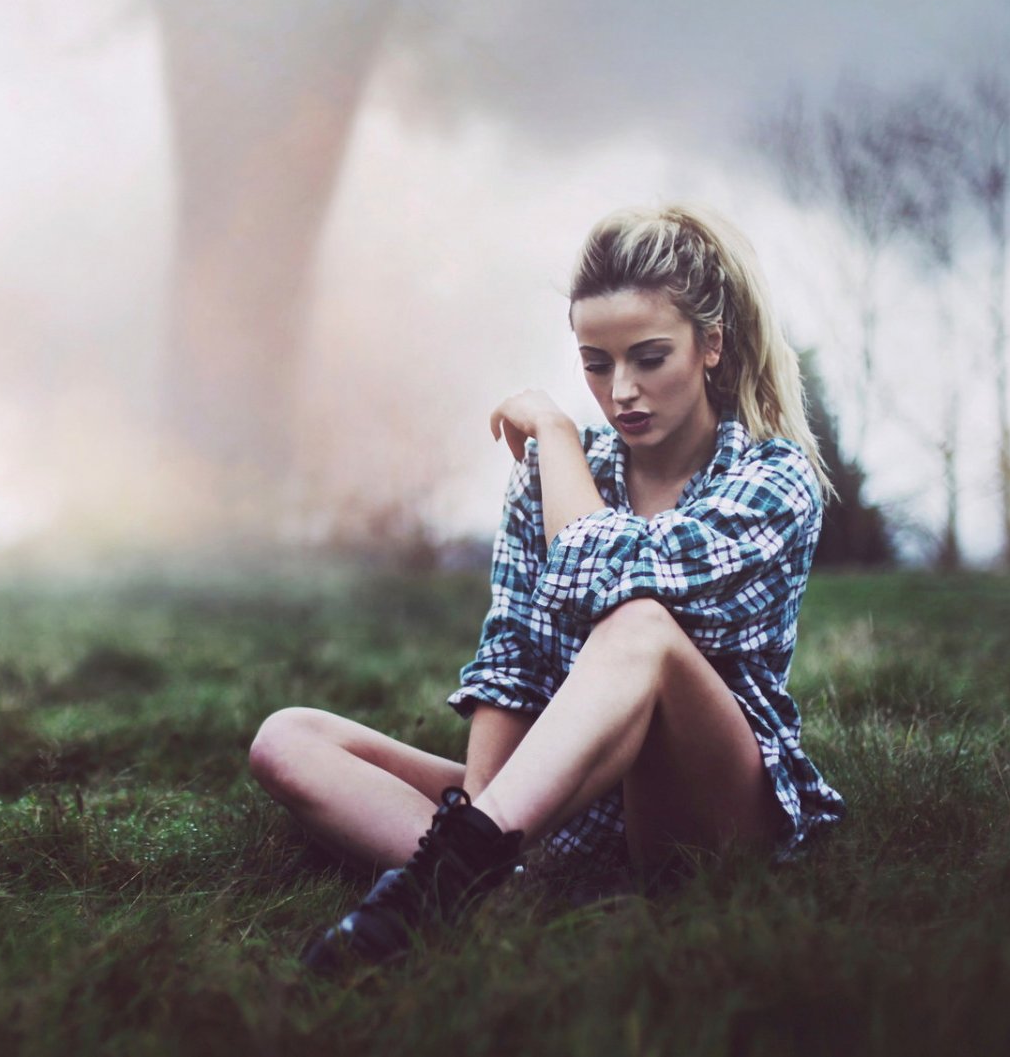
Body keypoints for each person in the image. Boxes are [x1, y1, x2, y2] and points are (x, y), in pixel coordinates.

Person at [248, 204, 847, 971]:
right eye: (596, 363)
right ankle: (495, 878)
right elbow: (515, 654)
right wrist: (484, 803)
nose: (621, 389)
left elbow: (609, 576)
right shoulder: (553, 473)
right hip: (568, 797)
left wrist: (557, 435)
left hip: (707, 802)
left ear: (711, 347)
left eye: (649, 357)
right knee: (288, 737)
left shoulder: (772, 476)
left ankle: (452, 879)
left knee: (639, 628)